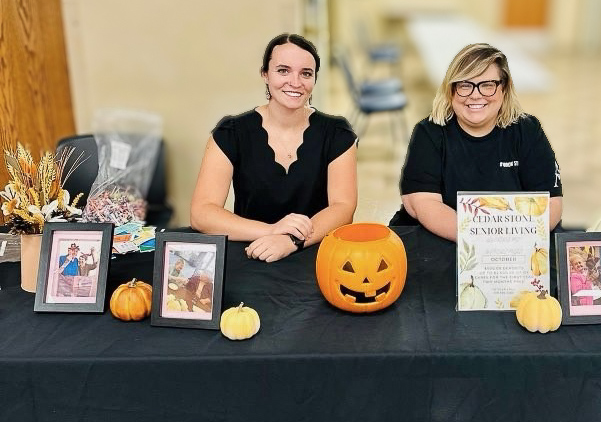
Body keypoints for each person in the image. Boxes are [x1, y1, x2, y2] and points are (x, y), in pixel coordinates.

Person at [190, 33, 358, 262]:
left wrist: (291, 241)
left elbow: (343, 207)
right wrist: (271, 231)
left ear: (314, 80)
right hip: (252, 252)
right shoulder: (231, 132)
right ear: (265, 75)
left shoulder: (337, 133)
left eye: (306, 73)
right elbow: (202, 213)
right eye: (283, 70)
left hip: (315, 254)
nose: (295, 82)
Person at [391, 43, 563, 240]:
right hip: (446, 237)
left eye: (487, 85)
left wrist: (515, 242)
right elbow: (423, 203)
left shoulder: (528, 131)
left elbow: (551, 203)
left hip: (519, 242)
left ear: (504, 89)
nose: (475, 94)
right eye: (465, 85)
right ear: (451, 90)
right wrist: (482, 241)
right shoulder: (429, 133)